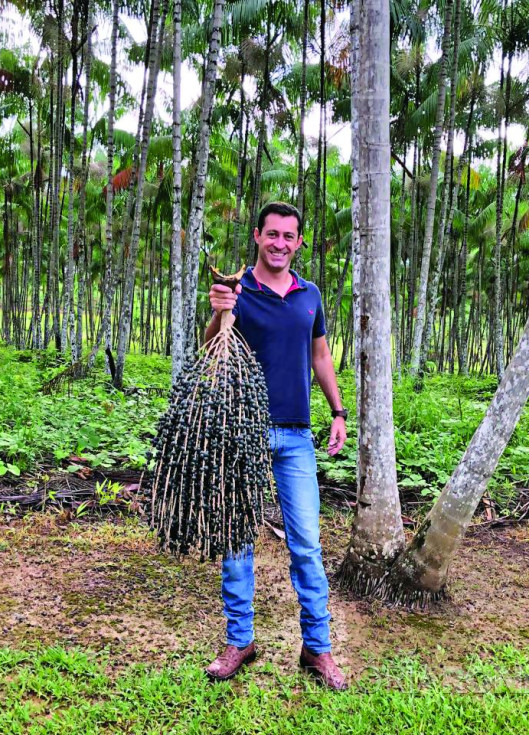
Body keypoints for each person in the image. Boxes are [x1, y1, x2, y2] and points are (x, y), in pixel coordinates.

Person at [202, 201, 349, 691]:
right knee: (237, 540)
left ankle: (317, 649)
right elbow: (211, 349)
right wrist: (219, 312)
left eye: (289, 236)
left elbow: (319, 354)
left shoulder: (310, 294)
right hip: (243, 430)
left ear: (299, 242)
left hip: (297, 435)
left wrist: (338, 412)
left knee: (306, 544)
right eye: (272, 234)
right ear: (257, 236)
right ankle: (239, 642)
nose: (280, 243)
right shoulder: (238, 289)